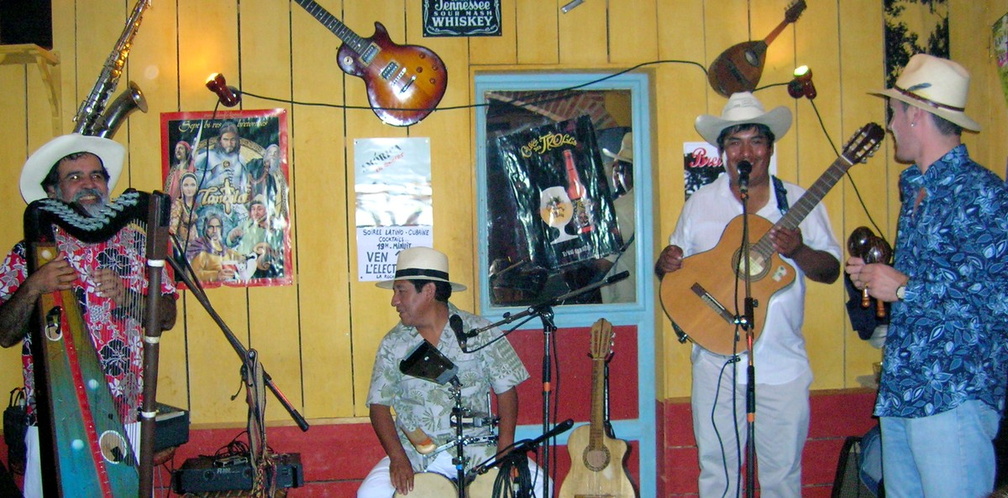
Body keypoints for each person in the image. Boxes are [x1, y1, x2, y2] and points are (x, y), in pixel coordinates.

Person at [654, 92, 841, 497]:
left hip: (782, 364)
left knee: (782, 476)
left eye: (756, 141)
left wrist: (799, 251)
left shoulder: (798, 202)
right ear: (722, 152)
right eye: (735, 142)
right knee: (717, 472)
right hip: (714, 362)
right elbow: (673, 268)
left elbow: (830, 270)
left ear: (770, 149)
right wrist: (665, 262)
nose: (746, 151)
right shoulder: (700, 204)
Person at [845, 53, 1008, 497]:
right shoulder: (917, 189)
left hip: (954, 393)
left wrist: (904, 287)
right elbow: (931, 286)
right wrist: (877, 280)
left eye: (895, 113)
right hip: (905, 388)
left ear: (916, 115)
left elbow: (999, 300)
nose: (892, 124)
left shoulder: (983, 193)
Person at [0, 133, 178, 497]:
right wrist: (34, 285)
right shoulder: (29, 252)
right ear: (52, 192)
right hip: (54, 414)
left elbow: (167, 317)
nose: (88, 184)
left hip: (127, 409)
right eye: (74, 177)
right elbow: (4, 333)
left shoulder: (138, 243)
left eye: (96, 175)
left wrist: (128, 295)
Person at [358, 247, 549, 497]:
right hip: (416, 454)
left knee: (540, 486)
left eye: (400, 291)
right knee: (371, 494)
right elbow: (378, 406)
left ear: (428, 291)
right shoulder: (393, 343)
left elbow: (506, 390)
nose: (394, 300)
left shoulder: (480, 330)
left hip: (478, 450)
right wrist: (397, 458)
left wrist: (505, 448)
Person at [599, 130, 636, 304]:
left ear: (624, 170)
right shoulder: (660, 200)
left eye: (616, 167)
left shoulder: (619, 209)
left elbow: (601, 265)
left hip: (624, 306)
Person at [188, 212, 246, 283]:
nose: (215, 231)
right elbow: (193, 275)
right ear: (206, 229)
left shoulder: (227, 251)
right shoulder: (201, 250)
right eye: (211, 227)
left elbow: (242, 260)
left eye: (218, 227)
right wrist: (216, 275)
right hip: (207, 292)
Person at [169, 172, 200, 250]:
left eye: (192, 185)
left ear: (197, 187)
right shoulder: (178, 205)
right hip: (183, 248)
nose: (189, 189)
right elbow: (171, 232)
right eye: (186, 185)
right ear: (181, 188)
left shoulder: (198, 205)